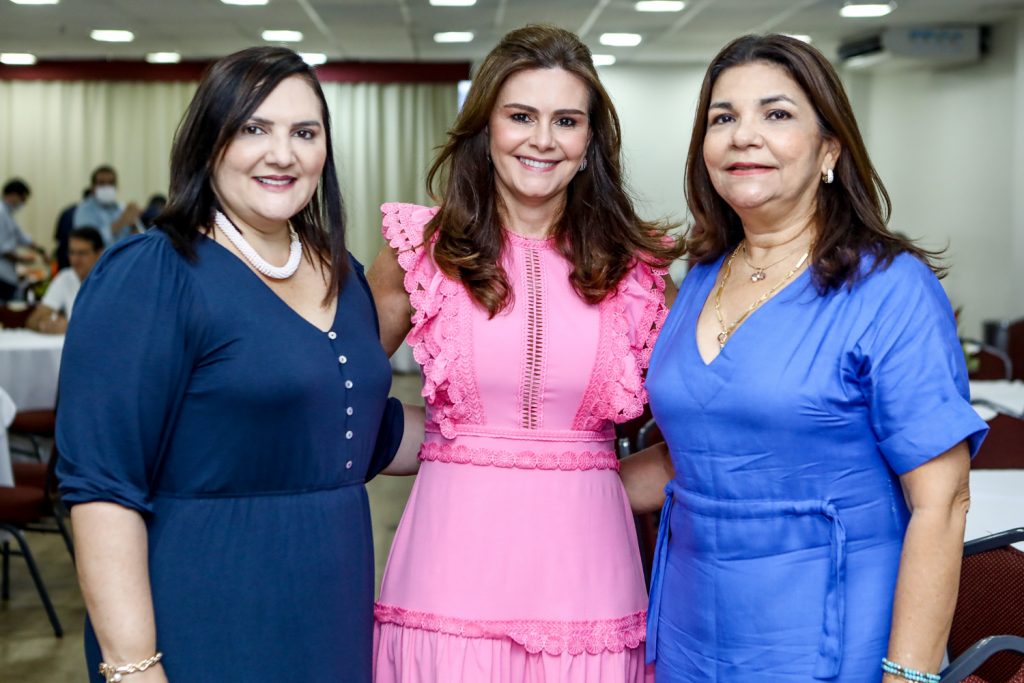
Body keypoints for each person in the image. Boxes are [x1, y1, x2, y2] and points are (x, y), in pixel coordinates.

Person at [620, 34, 989, 682]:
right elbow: (694, 452)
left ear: (829, 149)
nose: (743, 136)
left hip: (827, 635)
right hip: (689, 627)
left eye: (777, 113)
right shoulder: (702, 275)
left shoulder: (889, 287)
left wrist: (908, 675)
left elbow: (944, 499)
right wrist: (544, 481)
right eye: (722, 117)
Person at [56, 46, 422, 683]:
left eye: (304, 133)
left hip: (330, 611)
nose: (282, 153)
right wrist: (134, 667)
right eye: (254, 128)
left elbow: (363, 431)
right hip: (203, 612)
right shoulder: (153, 273)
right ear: (208, 142)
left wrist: (548, 446)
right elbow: (103, 488)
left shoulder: (344, 274)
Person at [368, 24, 682, 682]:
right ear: (485, 127)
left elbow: (713, 424)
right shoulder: (419, 253)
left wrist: (596, 480)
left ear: (590, 139)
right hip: (444, 584)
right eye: (521, 116)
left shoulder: (639, 270)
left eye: (566, 120)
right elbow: (332, 397)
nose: (543, 139)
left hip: (591, 587)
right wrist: (445, 446)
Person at [27, 227, 104, 333]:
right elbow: (33, 320)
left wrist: (69, 328)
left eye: (82, 253)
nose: (75, 259)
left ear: (99, 253)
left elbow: (112, 329)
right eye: (71, 252)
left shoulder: (111, 281)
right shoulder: (65, 277)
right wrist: (44, 325)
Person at [72, 165, 142, 245]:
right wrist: (122, 221)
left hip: (126, 256)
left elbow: (140, 240)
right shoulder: (84, 210)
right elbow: (88, 242)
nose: (107, 187)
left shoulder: (121, 208)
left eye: (111, 183)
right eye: (101, 183)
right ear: (92, 187)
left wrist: (133, 223)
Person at [0, 178, 41, 301]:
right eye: (23, 199)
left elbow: (21, 237)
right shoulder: (1, 213)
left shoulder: (7, 214)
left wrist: (40, 250)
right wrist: (23, 259)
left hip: (7, 274)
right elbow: (3, 249)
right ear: (13, 195)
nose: (23, 203)